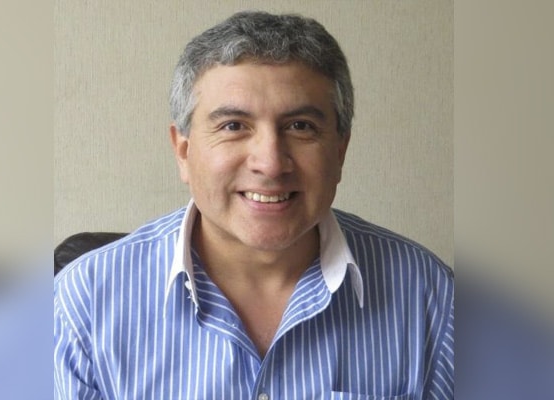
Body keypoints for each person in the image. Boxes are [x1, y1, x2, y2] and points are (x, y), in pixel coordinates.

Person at [54, 11, 454, 400]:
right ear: (183, 151)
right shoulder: (82, 304)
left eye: (300, 126)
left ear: (340, 150)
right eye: (233, 126)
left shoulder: (431, 296)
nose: (270, 163)